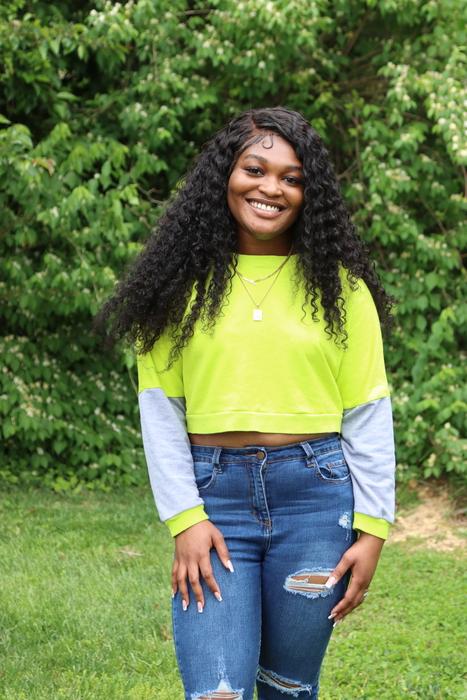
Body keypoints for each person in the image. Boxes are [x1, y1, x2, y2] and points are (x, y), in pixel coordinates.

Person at [95, 106, 396, 699]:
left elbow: (367, 413)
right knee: (217, 692)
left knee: (289, 689)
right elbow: (160, 410)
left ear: (310, 196)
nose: (271, 188)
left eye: (292, 178)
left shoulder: (343, 290)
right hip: (215, 500)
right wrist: (186, 518)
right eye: (255, 169)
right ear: (223, 176)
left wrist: (373, 530)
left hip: (318, 501)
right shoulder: (175, 286)